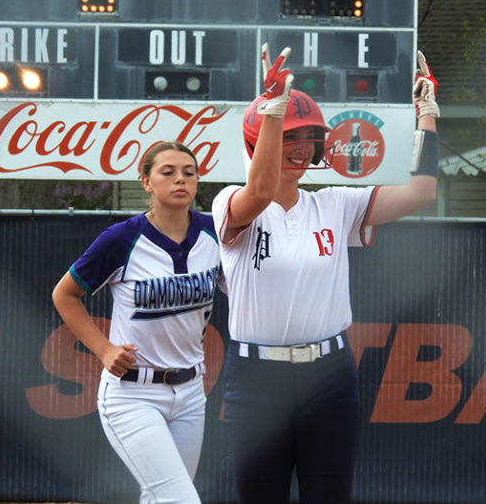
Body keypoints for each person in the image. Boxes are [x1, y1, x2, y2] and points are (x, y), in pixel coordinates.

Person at [211, 44, 440, 504]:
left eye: (307, 139)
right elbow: (258, 191)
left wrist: (427, 116)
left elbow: (422, 193)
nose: (299, 149)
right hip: (256, 377)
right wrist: (273, 111)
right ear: (258, 143)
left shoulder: (335, 203)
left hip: (329, 375)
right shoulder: (231, 202)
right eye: (288, 138)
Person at [52, 141, 222, 504]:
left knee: (160, 497)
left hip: (191, 390)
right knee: (180, 500)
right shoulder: (121, 239)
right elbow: (64, 294)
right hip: (133, 393)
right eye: (168, 172)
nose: (181, 179)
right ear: (146, 182)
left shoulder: (215, 234)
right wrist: (103, 349)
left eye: (189, 173)